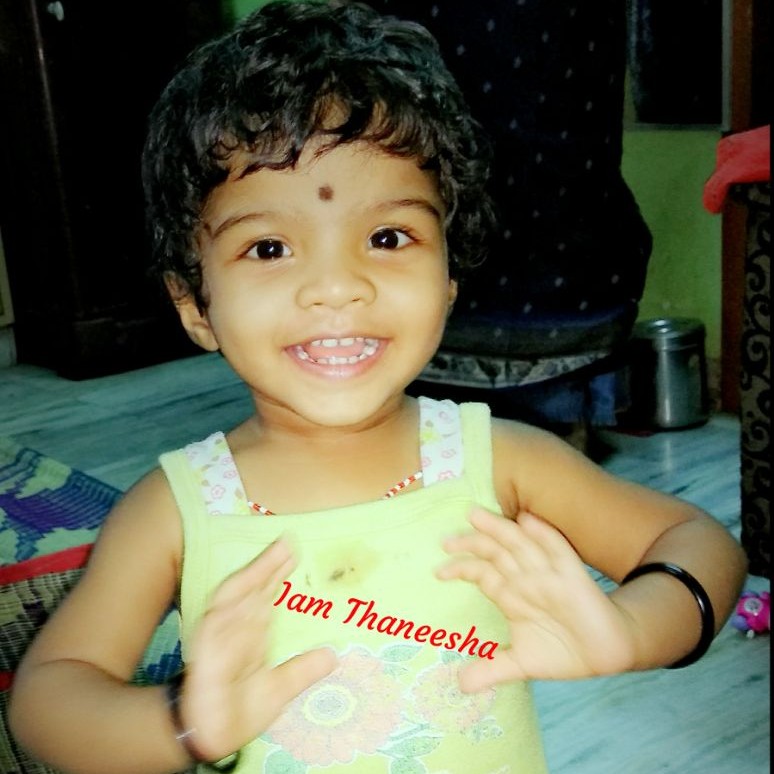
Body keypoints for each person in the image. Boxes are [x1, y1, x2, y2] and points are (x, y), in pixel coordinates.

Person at [9, 2, 747, 772]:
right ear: (196, 306)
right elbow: (46, 698)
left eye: (388, 237)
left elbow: (702, 544)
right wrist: (184, 722)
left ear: (449, 278)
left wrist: (631, 629)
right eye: (269, 247)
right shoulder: (175, 512)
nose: (338, 286)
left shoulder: (499, 463)